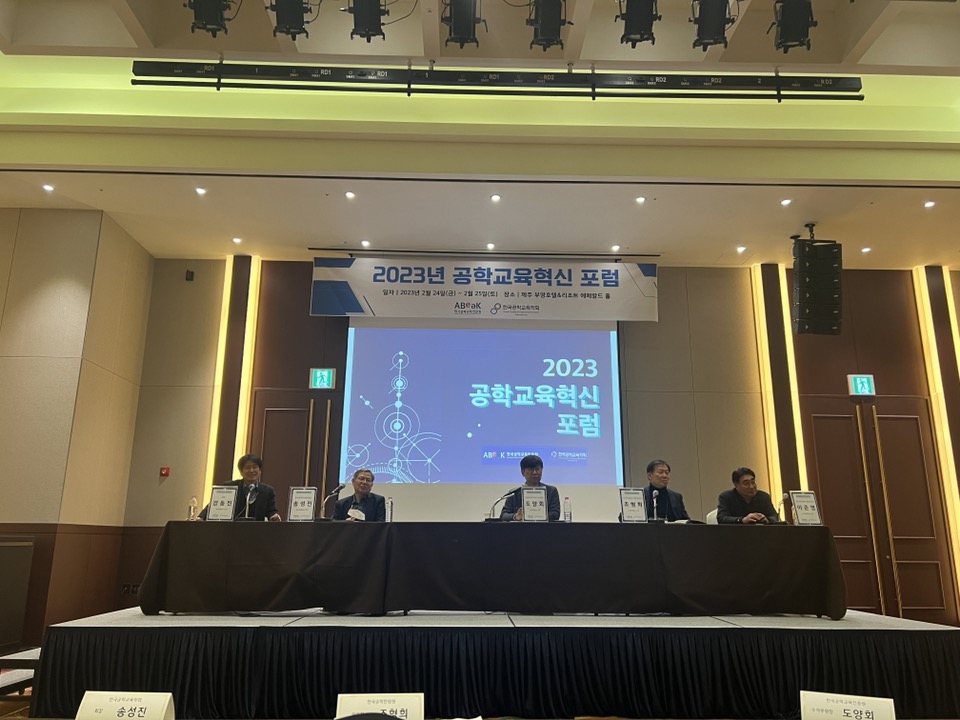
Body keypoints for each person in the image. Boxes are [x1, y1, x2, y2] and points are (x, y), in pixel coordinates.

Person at [197, 453, 281, 521]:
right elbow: (214, 505)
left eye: (255, 467)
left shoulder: (267, 491)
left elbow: (272, 511)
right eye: (247, 468)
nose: (251, 470)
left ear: (259, 471)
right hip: (231, 530)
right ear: (241, 472)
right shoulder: (230, 487)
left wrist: (274, 516)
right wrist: (201, 517)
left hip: (257, 532)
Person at [500, 454, 561, 521]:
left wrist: (536, 515)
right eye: (531, 469)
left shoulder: (551, 491)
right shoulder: (514, 493)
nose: (535, 472)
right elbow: (503, 515)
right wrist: (516, 516)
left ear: (542, 470)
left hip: (544, 527)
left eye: (537, 469)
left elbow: (555, 514)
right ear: (522, 472)